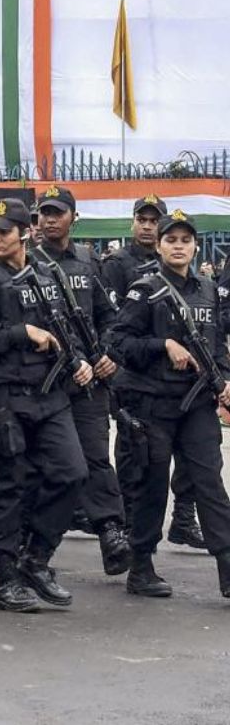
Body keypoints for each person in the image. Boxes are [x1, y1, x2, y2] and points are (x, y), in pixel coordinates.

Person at [0, 198, 92, 613]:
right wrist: (18, 333)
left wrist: (79, 359)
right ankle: (5, 581)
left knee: (72, 473)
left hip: (49, 394)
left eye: (4, 231)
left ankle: (35, 558)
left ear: (25, 233)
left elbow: (65, 325)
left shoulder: (45, 274)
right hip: (3, 398)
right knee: (6, 488)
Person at [108, 209, 230, 600]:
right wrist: (163, 345)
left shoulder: (208, 290)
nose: (178, 247)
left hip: (196, 404)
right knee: (152, 485)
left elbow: (216, 347)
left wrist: (225, 379)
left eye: (185, 240)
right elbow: (118, 343)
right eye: (170, 240)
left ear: (195, 246)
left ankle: (227, 566)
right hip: (151, 404)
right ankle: (141, 566)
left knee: (209, 482)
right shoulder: (145, 289)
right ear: (158, 245)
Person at [33, 186, 131, 577]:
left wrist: (106, 354)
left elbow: (109, 317)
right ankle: (36, 548)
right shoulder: (27, 264)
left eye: (58, 212)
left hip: (89, 381)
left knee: (94, 456)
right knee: (46, 466)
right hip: (45, 381)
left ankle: (110, 530)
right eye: (45, 212)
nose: (50, 219)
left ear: (73, 217)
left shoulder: (90, 263)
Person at [103, 196, 205, 550]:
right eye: (141, 219)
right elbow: (114, 325)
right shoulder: (119, 264)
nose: (147, 225)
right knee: (138, 461)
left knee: (193, 457)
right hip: (135, 378)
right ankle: (130, 531)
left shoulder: (194, 280)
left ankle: (183, 518)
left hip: (181, 384)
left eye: (153, 219)